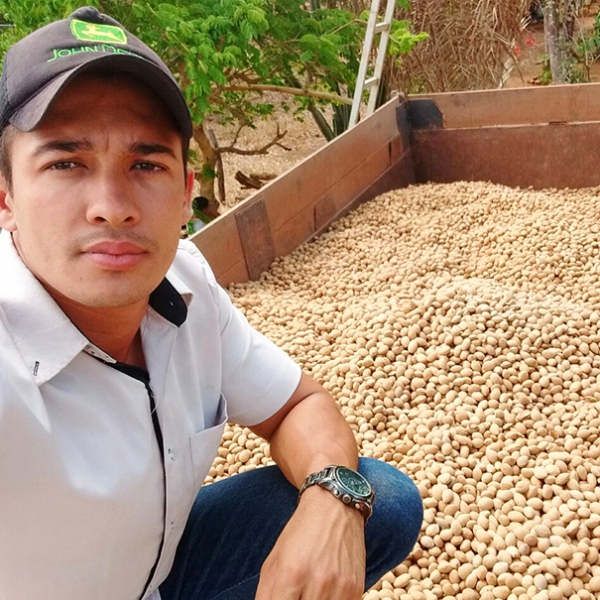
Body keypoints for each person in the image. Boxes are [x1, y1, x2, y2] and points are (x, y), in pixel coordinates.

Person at [0, 7, 423, 600]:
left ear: (185, 196)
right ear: (5, 198)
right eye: (66, 163)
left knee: (381, 498)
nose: (112, 206)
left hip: (160, 572)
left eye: (145, 164)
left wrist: (333, 502)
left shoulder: (182, 281)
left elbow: (299, 404)